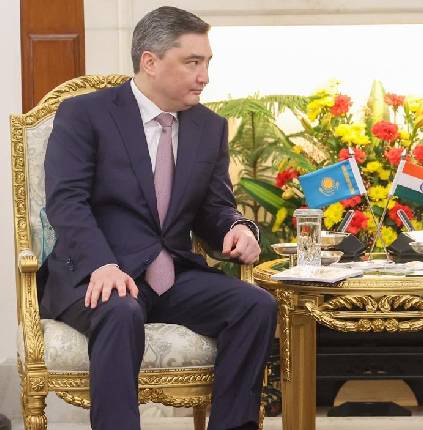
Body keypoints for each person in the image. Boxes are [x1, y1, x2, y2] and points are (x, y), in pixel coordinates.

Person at [40, 6, 276, 430]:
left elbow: (214, 208)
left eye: (207, 63)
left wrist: (237, 228)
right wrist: (102, 264)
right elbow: (66, 202)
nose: (204, 76)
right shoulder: (85, 114)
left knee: (255, 305)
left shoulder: (209, 127)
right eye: (193, 62)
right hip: (98, 273)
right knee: (120, 310)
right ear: (150, 61)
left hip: (172, 274)